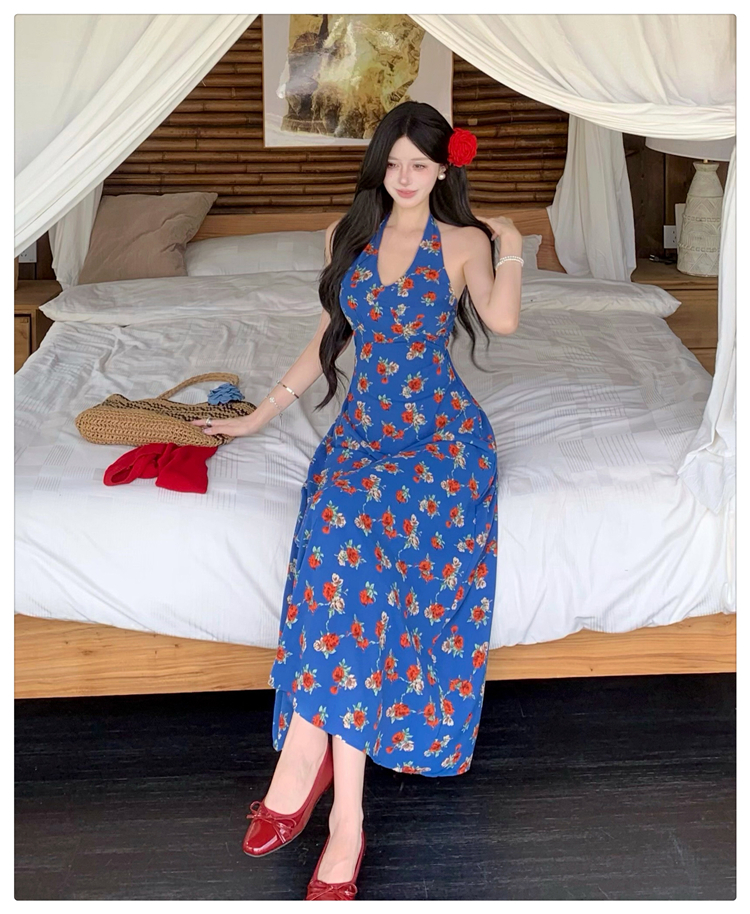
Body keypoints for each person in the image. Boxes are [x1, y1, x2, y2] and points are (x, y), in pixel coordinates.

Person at [191, 101, 523, 901]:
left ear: (444, 169)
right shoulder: (348, 235)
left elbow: (504, 320)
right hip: (363, 433)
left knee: (358, 563)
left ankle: (334, 802)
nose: (405, 178)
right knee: (341, 555)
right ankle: (325, 786)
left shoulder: (464, 242)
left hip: (441, 444)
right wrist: (259, 416)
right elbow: (325, 337)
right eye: (394, 163)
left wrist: (511, 243)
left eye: (420, 165)